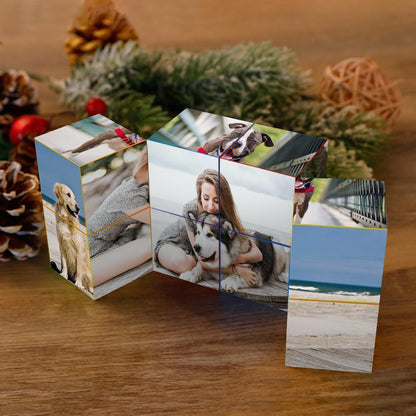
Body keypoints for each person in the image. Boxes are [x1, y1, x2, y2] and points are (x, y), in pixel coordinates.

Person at [155, 169, 262, 286]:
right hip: (172, 244)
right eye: (206, 198)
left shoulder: (223, 218)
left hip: (196, 253)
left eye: (216, 200)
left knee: (195, 262)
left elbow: (257, 255)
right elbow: (205, 263)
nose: (210, 206)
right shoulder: (190, 210)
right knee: (184, 264)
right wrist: (237, 270)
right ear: (199, 196)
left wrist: (239, 259)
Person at [88, 148, 151, 286]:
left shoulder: (133, 184)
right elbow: (160, 221)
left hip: (100, 239)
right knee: (150, 245)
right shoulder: (131, 196)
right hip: (92, 246)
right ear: (147, 168)